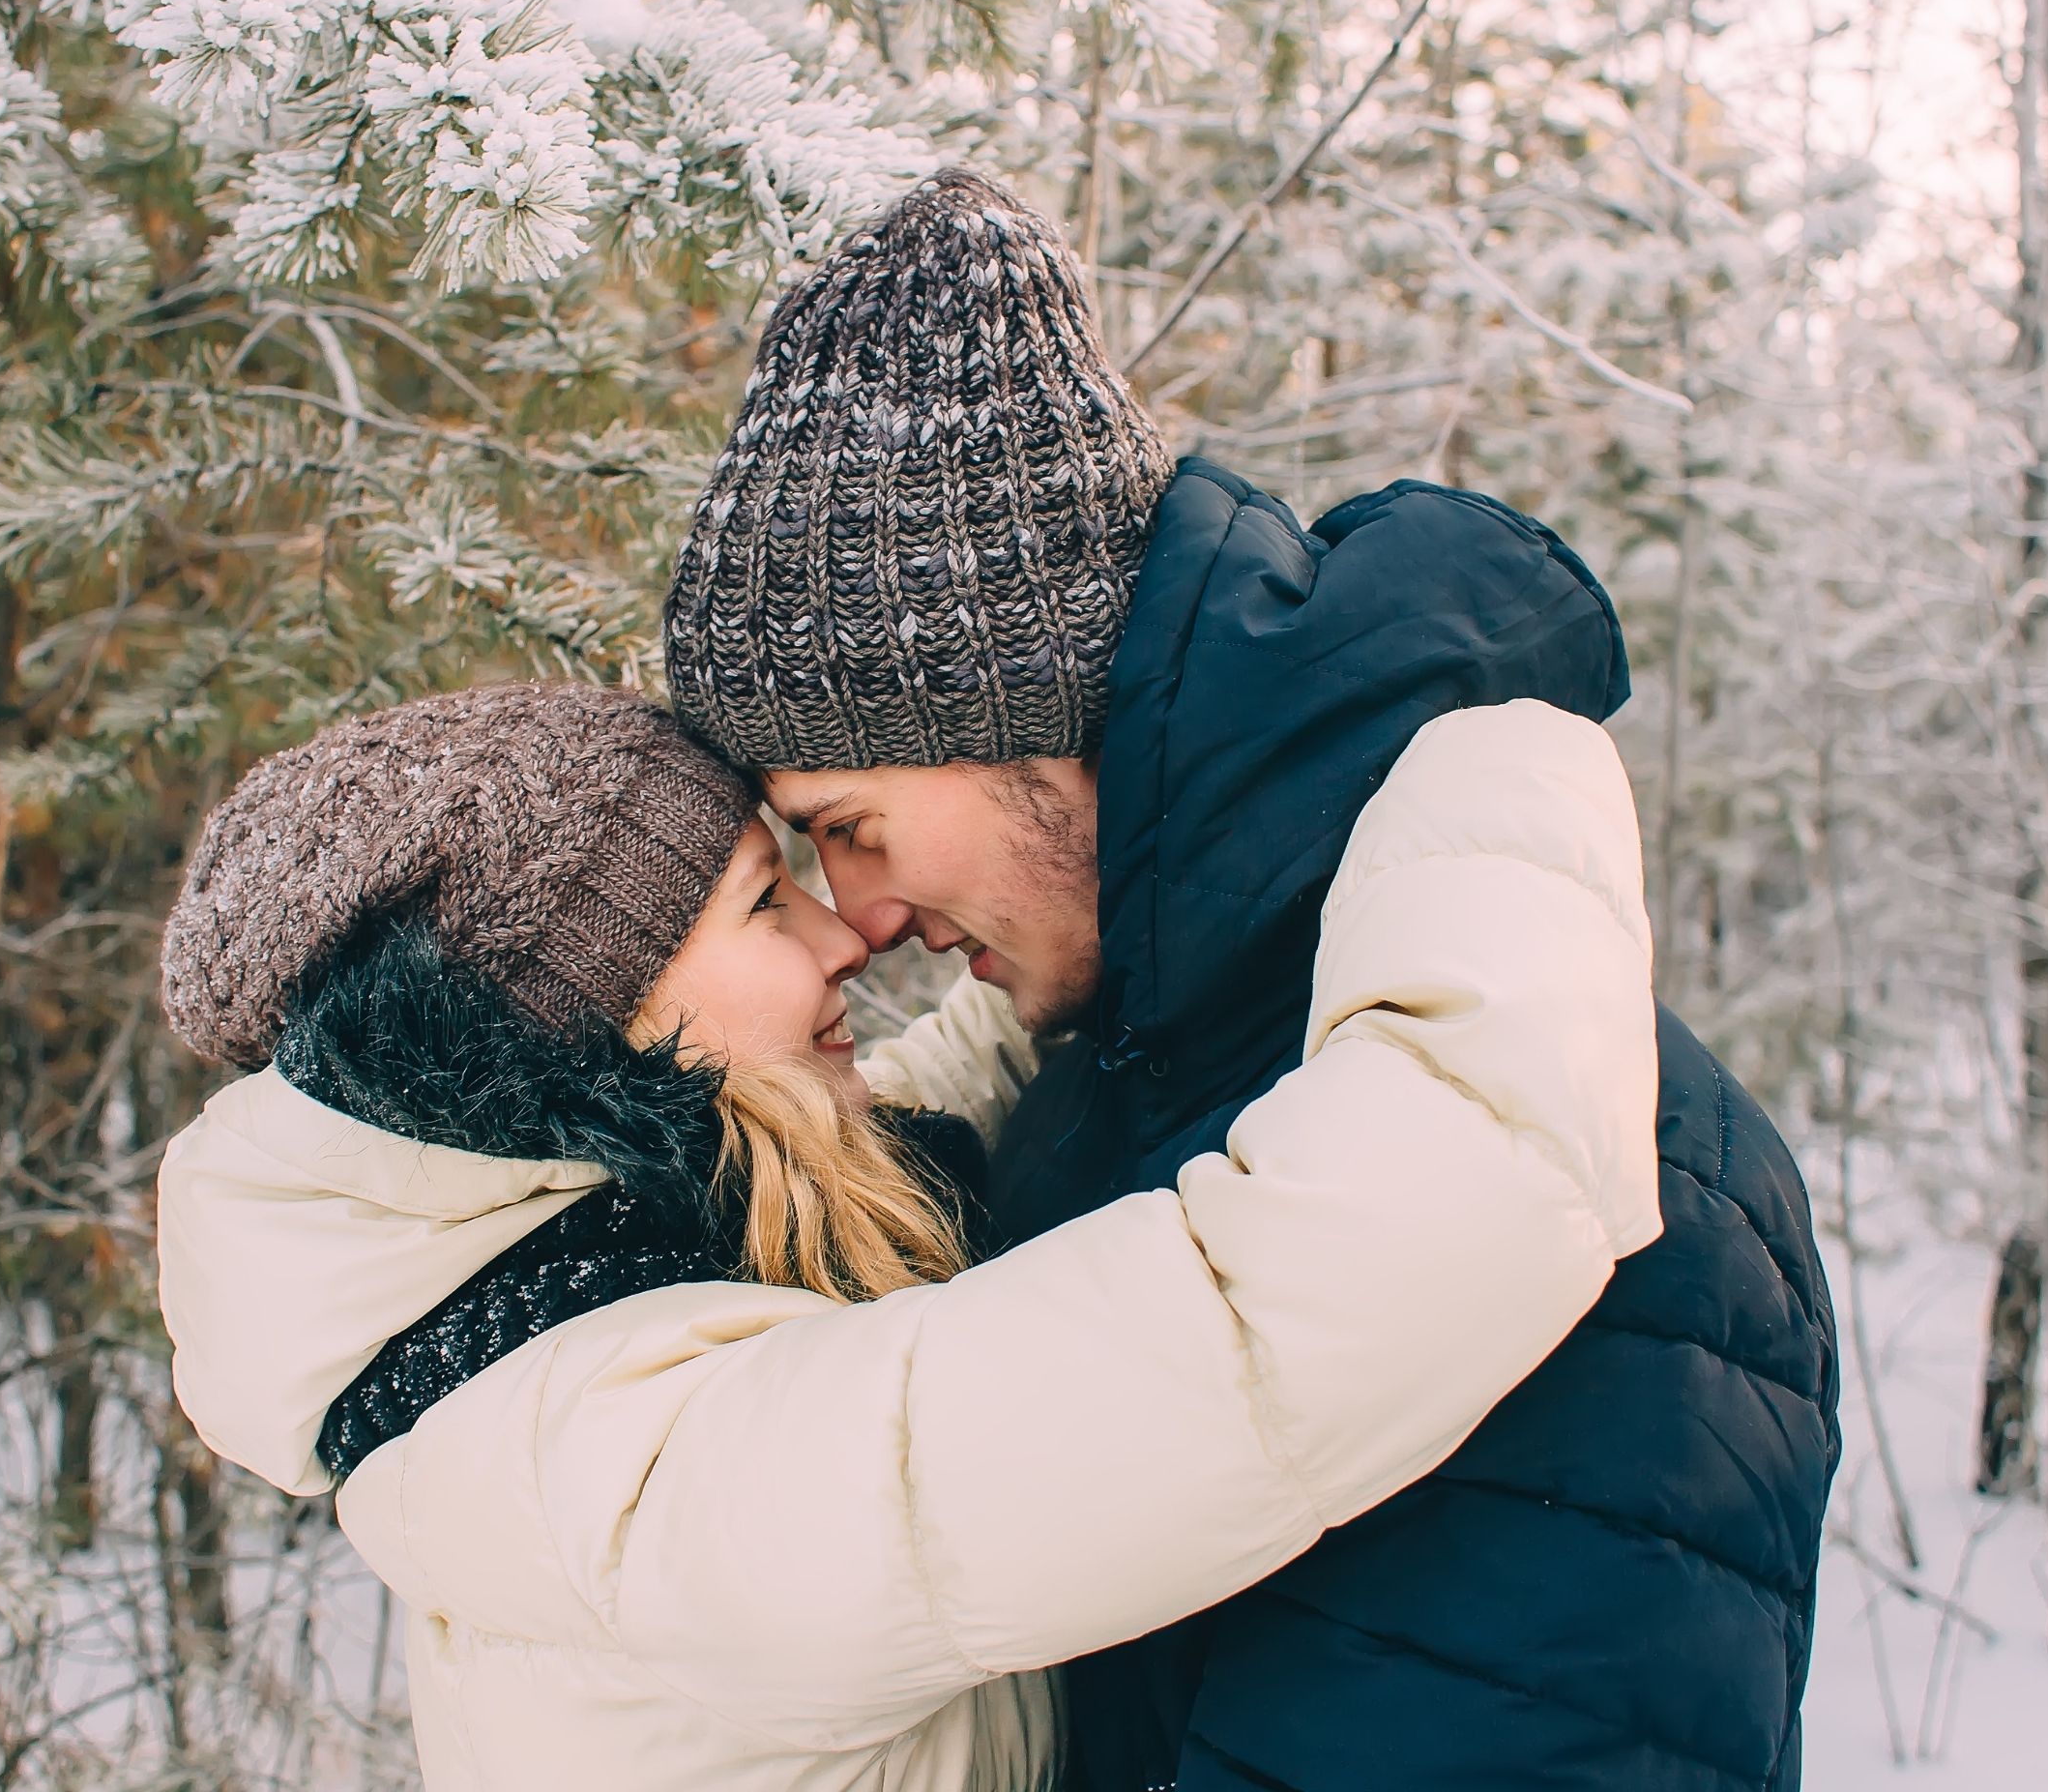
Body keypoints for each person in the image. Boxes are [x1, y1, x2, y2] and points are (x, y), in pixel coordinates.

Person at [662, 167, 1844, 1792]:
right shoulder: (1135, 1063)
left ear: (1020, 710)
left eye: (848, 828)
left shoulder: (1545, 1169)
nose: (856, 920)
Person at [154, 679, 1662, 1790]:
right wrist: (1506, 764)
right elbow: (1367, 1267)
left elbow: (923, 1112)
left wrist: (1067, 938)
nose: (843, 933)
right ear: (585, 1034)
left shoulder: (551, 1304)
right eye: (764, 905)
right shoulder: (647, 1474)